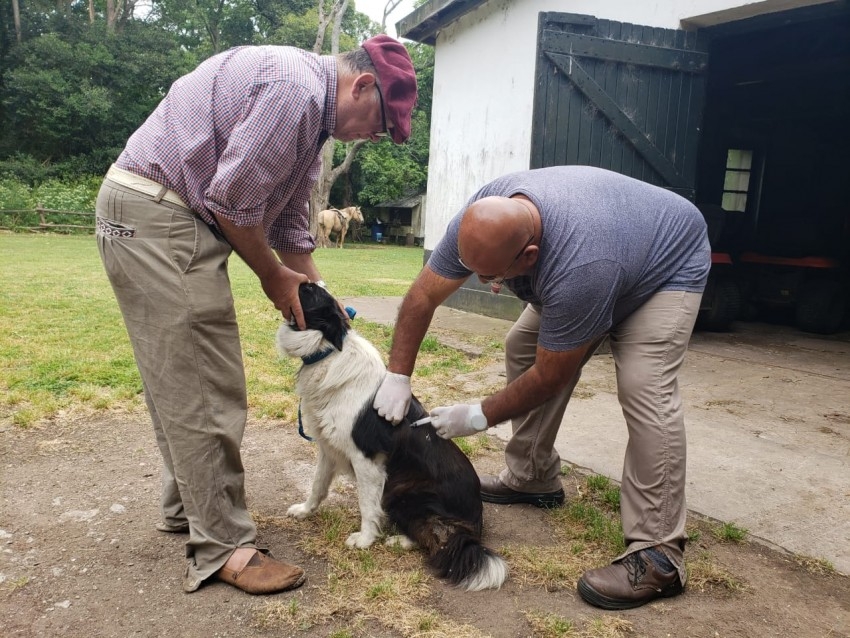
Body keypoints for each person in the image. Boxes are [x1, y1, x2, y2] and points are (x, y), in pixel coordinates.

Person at [95, 35, 417, 596]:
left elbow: (289, 225)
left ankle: (186, 508)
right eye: (381, 125)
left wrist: (320, 295)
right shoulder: (294, 92)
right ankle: (223, 546)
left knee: (178, 379)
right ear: (362, 85)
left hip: (152, 210)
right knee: (206, 384)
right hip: (161, 214)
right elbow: (232, 200)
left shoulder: (312, 120)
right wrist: (272, 276)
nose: (375, 138)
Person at [372, 165, 710, 610]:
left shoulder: (582, 266)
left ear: (529, 256)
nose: (484, 284)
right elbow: (422, 296)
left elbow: (551, 376)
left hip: (664, 267)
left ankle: (659, 552)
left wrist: (478, 416)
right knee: (522, 345)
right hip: (609, 250)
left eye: (493, 276)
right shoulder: (481, 218)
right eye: (474, 272)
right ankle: (532, 477)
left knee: (644, 386)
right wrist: (398, 375)